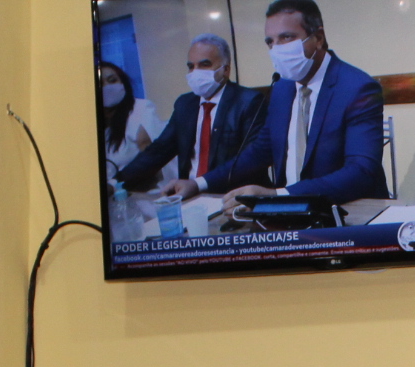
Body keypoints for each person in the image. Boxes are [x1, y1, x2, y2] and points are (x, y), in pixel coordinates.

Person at [220, 0, 390, 213]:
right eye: (270, 42)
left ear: (318, 38)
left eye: (286, 37)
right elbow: (261, 150)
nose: (276, 49)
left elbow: (361, 172)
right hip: (288, 217)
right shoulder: (282, 88)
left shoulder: (358, 87)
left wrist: (279, 196)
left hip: (346, 213)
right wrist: (198, 183)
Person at [120, 34, 271, 197]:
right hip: (188, 194)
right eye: (191, 66)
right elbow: (159, 151)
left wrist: (199, 184)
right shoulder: (185, 104)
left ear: (225, 70)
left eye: (204, 65)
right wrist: (117, 183)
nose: (195, 72)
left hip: (230, 194)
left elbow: (251, 159)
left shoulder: (249, 102)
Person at [98, 60, 169, 187]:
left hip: (140, 190)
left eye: (112, 80)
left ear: (123, 83)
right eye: (100, 84)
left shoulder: (140, 109)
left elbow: (153, 158)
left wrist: (114, 184)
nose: (107, 87)